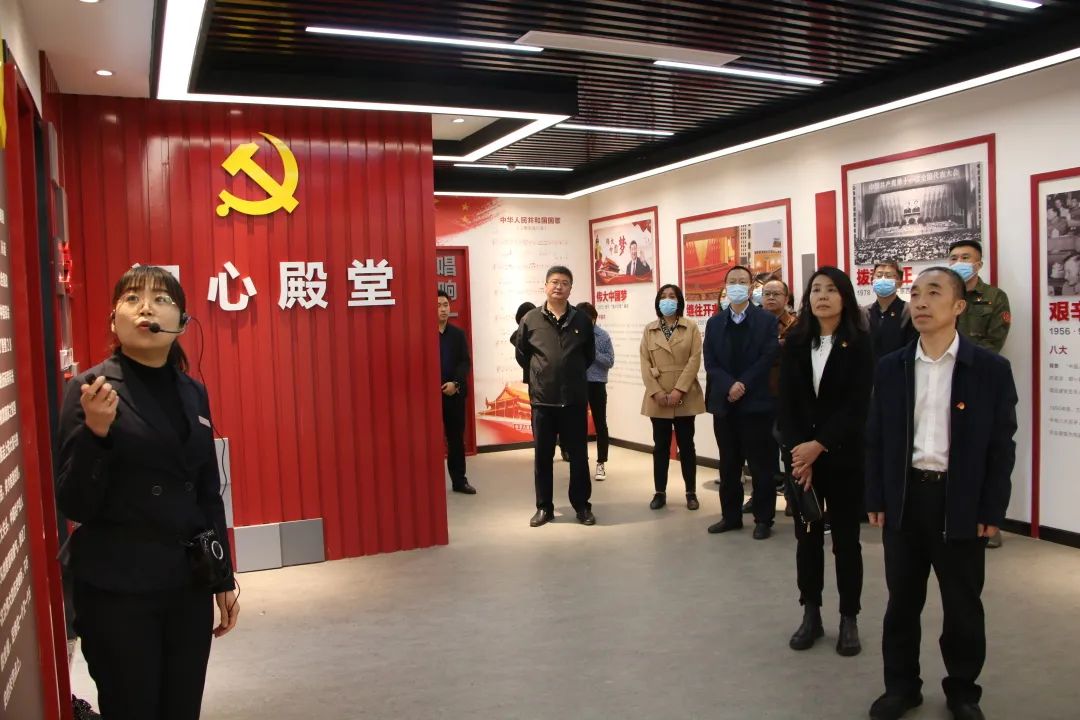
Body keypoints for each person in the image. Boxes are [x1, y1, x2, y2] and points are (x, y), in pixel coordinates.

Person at [56, 266, 239, 720]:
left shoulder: (193, 392)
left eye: (161, 299)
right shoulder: (91, 389)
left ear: (181, 321)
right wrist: (95, 434)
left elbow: (207, 491)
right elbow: (75, 503)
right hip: (117, 586)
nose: (146, 308)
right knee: (132, 706)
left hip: (186, 582)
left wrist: (223, 577)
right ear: (113, 319)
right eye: (132, 298)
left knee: (181, 706)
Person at [865, 267, 1017, 720]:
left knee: (963, 605)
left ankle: (964, 691)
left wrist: (992, 508)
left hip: (960, 501)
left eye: (934, 293)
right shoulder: (892, 367)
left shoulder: (989, 369)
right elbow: (876, 437)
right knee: (901, 602)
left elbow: (1001, 445)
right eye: (915, 293)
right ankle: (901, 687)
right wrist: (876, 496)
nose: (920, 302)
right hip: (906, 498)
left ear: (958, 306)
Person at [778, 266, 873, 657]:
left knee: (847, 541)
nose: (822, 296)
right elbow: (786, 404)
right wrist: (799, 453)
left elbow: (856, 407)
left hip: (843, 456)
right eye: (816, 290)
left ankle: (849, 617)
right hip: (802, 462)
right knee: (808, 538)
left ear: (844, 298)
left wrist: (820, 445)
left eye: (831, 290)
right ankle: (811, 613)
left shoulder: (860, 345)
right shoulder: (795, 343)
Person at [703, 266, 780, 539]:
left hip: (757, 404)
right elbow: (710, 362)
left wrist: (742, 384)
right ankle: (731, 516)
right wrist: (729, 385)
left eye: (742, 281)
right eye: (732, 281)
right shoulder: (714, 323)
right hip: (725, 405)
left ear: (750, 287)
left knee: (761, 466)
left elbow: (767, 357)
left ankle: (763, 518)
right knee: (729, 464)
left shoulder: (766, 321)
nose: (737, 285)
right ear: (725, 286)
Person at [516, 266, 596, 527]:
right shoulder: (530, 320)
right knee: (542, 457)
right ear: (545, 286)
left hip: (574, 400)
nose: (558, 287)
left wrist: (569, 374)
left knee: (579, 457)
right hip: (543, 401)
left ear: (571, 288)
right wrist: (542, 374)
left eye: (564, 283)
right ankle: (544, 507)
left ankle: (582, 506)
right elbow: (522, 354)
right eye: (554, 282)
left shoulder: (582, 320)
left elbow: (589, 356)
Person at [948, 239, 1010, 549]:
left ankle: (988, 522)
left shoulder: (995, 298)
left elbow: (994, 342)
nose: (959, 262)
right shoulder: (945, 295)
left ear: (979, 264)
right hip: (945, 380)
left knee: (982, 450)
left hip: (980, 382)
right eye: (954, 257)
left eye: (965, 257)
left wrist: (959, 358)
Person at [639, 284, 705, 511]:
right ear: (658, 302)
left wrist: (679, 390)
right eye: (663, 296)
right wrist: (656, 391)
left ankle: (691, 493)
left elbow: (694, 360)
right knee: (660, 446)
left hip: (684, 395)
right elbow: (644, 362)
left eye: (672, 296)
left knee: (687, 446)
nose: (668, 300)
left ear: (679, 301)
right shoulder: (650, 330)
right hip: (658, 396)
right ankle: (659, 492)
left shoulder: (691, 327)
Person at [438, 290, 475, 495]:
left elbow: (464, 363)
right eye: (438, 306)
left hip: (454, 394)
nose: (443, 309)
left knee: (455, 440)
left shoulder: (457, 334)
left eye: (445, 305)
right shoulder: (423, 333)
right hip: (430, 398)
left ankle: (459, 481)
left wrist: (455, 383)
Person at [577, 302, 614, 481]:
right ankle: (580, 462)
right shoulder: (573, 335)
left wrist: (593, 352)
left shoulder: (603, 336)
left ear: (594, 319)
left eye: (587, 319)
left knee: (600, 424)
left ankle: (601, 463)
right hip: (577, 383)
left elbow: (610, 361)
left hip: (597, 384)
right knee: (577, 424)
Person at [864, 260, 918, 360]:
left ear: (900, 282)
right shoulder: (864, 313)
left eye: (888, 276)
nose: (883, 279)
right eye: (879, 276)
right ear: (872, 281)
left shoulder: (909, 311)